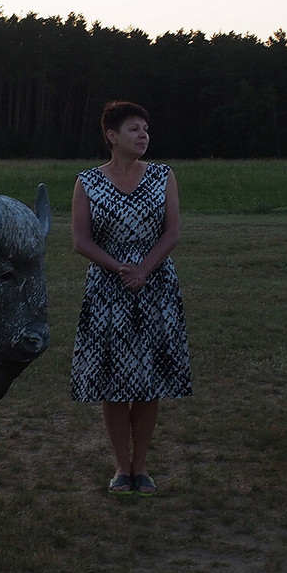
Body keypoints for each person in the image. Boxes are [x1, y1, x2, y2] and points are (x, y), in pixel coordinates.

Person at [70, 101, 192, 497]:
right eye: (134, 129)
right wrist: (119, 268)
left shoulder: (162, 176)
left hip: (155, 288)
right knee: (113, 381)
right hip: (108, 291)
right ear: (112, 136)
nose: (143, 136)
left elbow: (172, 232)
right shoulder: (87, 182)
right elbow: (80, 241)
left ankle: (142, 468)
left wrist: (144, 269)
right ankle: (121, 468)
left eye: (146, 130)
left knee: (149, 378)